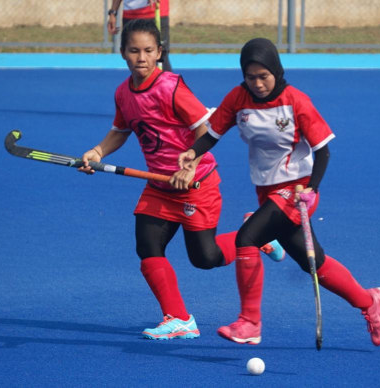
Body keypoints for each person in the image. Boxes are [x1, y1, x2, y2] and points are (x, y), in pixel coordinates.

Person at [178, 37, 380, 347]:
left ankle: (250, 323)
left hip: (298, 191)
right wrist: (193, 153)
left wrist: (312, 188)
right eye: (251, 77)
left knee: (246, 238)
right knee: (313, 263)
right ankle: (370, 301)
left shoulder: (296, 101)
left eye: (264, 76)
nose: (258, 84)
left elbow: (323, 152)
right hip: (266, 192)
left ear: (276, 71)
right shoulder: (238, 98)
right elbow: (212, 134)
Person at [79, 21, 284, 340]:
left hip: (196, 185)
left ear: (160, 53)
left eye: (149, 51)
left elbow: (207, 128)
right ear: (122, 54)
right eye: (134, 51)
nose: (142, 58)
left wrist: (190, 166)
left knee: (205, 258)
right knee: (147, 246)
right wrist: (96, 151)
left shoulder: (171, 87)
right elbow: (121, 131)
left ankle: (259, 234)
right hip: (160, 187)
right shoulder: (123, 93)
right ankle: (179, 318)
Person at [107, 0, 172, 71]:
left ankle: (167, 82)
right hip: (130, 13)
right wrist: (113, 12)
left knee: (161, 58)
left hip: (153, 11)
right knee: (134, 59)